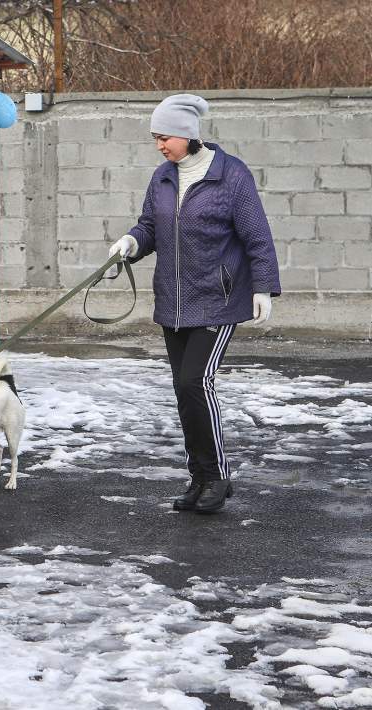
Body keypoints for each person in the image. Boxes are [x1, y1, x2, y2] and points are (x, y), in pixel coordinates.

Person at [108, 94, 281, 514]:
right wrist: (131, 243)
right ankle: (199, 478)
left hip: (218, 301)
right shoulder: (163, 178)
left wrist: (263, 287)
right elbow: (150, 226)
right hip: (174, 302)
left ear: (187, 135)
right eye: (156, 138)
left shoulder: (231, 175)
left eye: (164, 137)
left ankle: (217, 476)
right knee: (184, 392)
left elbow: (257, 235)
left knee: (195, 384)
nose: (160, 146)